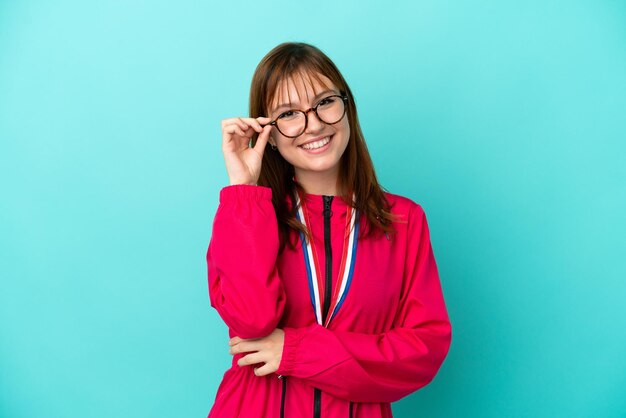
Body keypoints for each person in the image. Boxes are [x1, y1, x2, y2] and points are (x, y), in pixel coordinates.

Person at [206, 41, 452, 418]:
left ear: (347, 106)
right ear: (267, 132)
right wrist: (243, 189)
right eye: (289, 113)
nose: (314, 125)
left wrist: (296, 351)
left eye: (324, 102)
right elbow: (251, 321)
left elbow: (423, 349)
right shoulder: (249, 215)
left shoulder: (403, 220)